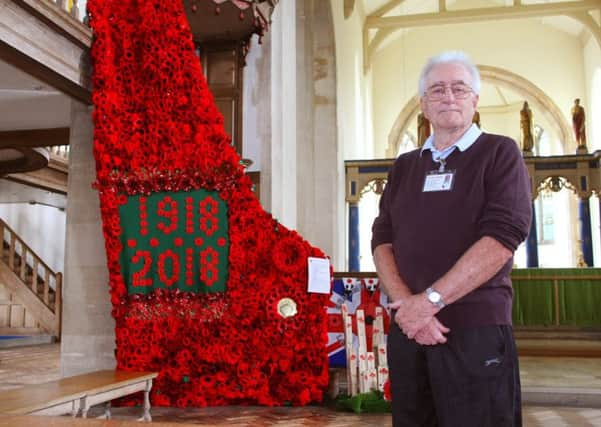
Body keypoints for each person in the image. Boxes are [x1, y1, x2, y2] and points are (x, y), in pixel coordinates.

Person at [371, 51, 531, 427]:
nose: (449, 97)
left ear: (475, 100)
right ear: (424, 105)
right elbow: (382, 239)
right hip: (410, 331)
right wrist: (409, 307)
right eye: (437, 90)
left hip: (474, 328)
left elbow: (503, 237)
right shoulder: (405, 166)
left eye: (460, 89)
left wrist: (430, 302)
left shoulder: (499, 152)